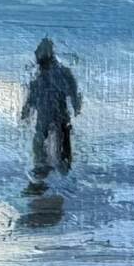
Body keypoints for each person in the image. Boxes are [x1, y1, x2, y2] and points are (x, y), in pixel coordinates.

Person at [19, 37, 82, 175]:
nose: (37, 59)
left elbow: (73, 91)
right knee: (41, 139)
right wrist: (26, 111)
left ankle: (61, 165)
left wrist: (76, 105)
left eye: (39, 55)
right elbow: (32, 97)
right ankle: (44, 165)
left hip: (58, 113)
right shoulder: (40, 76)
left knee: (59, 138)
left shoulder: (61, 73)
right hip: (45, 114)